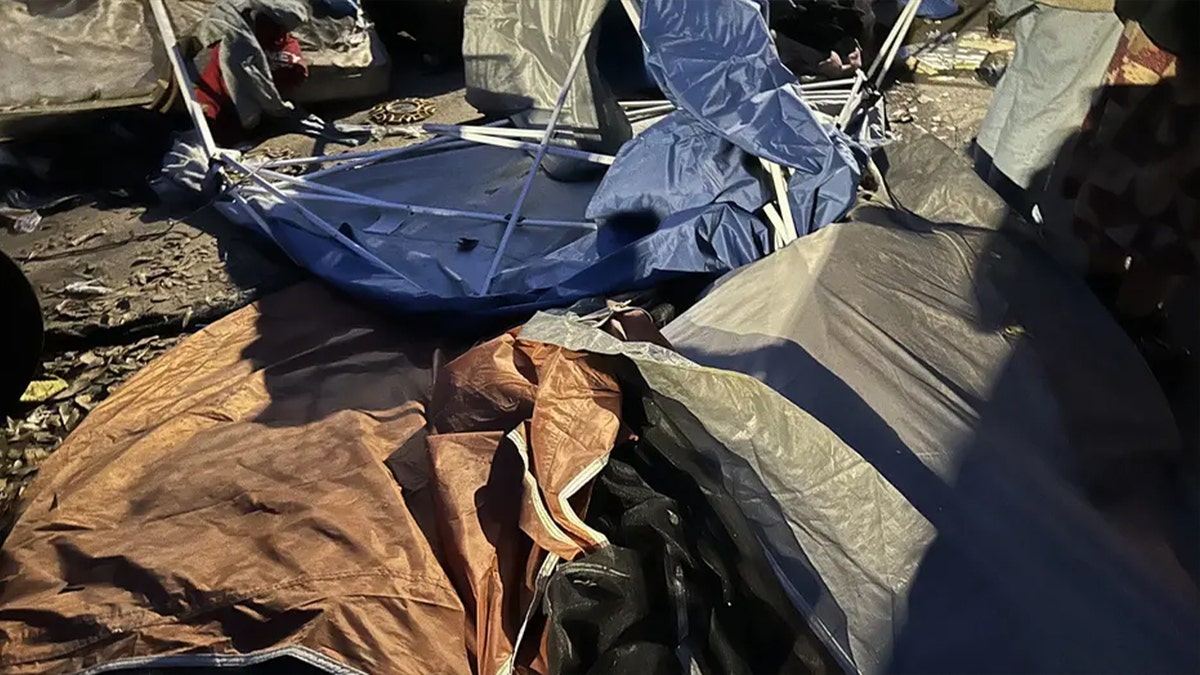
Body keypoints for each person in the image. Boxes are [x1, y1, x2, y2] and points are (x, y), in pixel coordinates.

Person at [972, 0, 1124, 220]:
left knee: (1024, 80)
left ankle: (978, 195)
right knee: (1049, 110)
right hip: (1083, 8)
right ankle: (1001, 220)